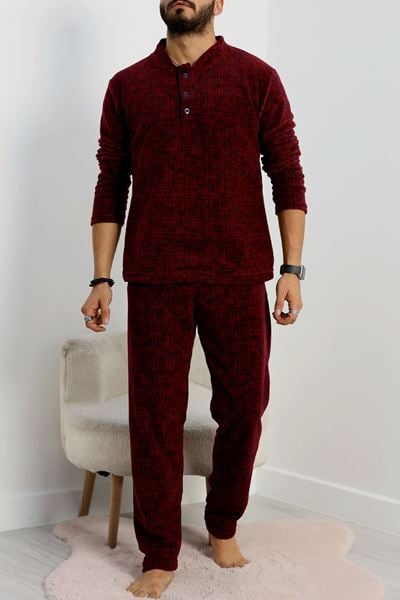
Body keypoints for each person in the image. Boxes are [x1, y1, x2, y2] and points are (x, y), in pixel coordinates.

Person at [80, 0, 307, 597]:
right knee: (155, 416)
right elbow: (111, 182)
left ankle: (223, 523)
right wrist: (101, 278)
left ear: (219, 3)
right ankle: (159, 552)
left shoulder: (256, 77)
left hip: (239, 272)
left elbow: (287, 172)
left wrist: (292, 269)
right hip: (155, 274)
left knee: (245, 405)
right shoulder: (127, 85)